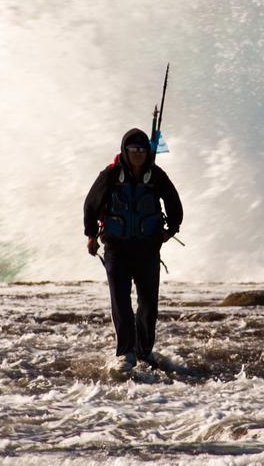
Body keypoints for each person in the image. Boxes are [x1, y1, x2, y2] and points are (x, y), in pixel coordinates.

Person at [83, 127, 183, 373]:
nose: (138, 154)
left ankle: (144, 350)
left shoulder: (157, 176)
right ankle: (126, 353)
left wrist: (171, 230)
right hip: (116, 249)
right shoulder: (110, 175)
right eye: (133, 150)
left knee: (148, 304)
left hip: (147, 249)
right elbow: (91, 204)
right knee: (121, 302)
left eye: (142, 150)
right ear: (124, 151)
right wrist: (90, 236)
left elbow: (174, 204)